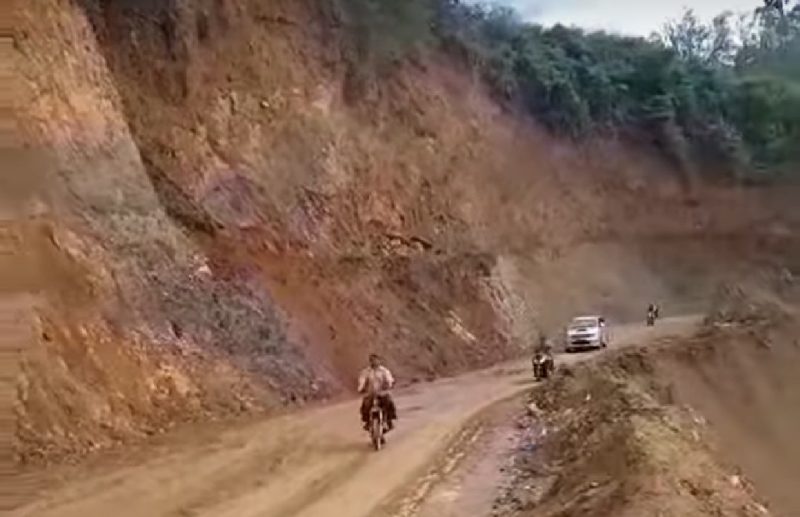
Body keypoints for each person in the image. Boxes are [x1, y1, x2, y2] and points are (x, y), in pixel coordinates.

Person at [358, 354, 397, 431]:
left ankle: (389, 421)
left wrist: (390, 384)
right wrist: (361, 388)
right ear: (370, 361)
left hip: (382, 393)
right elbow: (362, 381)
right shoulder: (366, 372)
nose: (374, 362)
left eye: (375, 360)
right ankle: (368, 422)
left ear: (379, 361)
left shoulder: (384, 371)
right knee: (365, 406)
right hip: (370, 394)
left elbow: (389, 379)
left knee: (389, 402)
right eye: (372, 360)